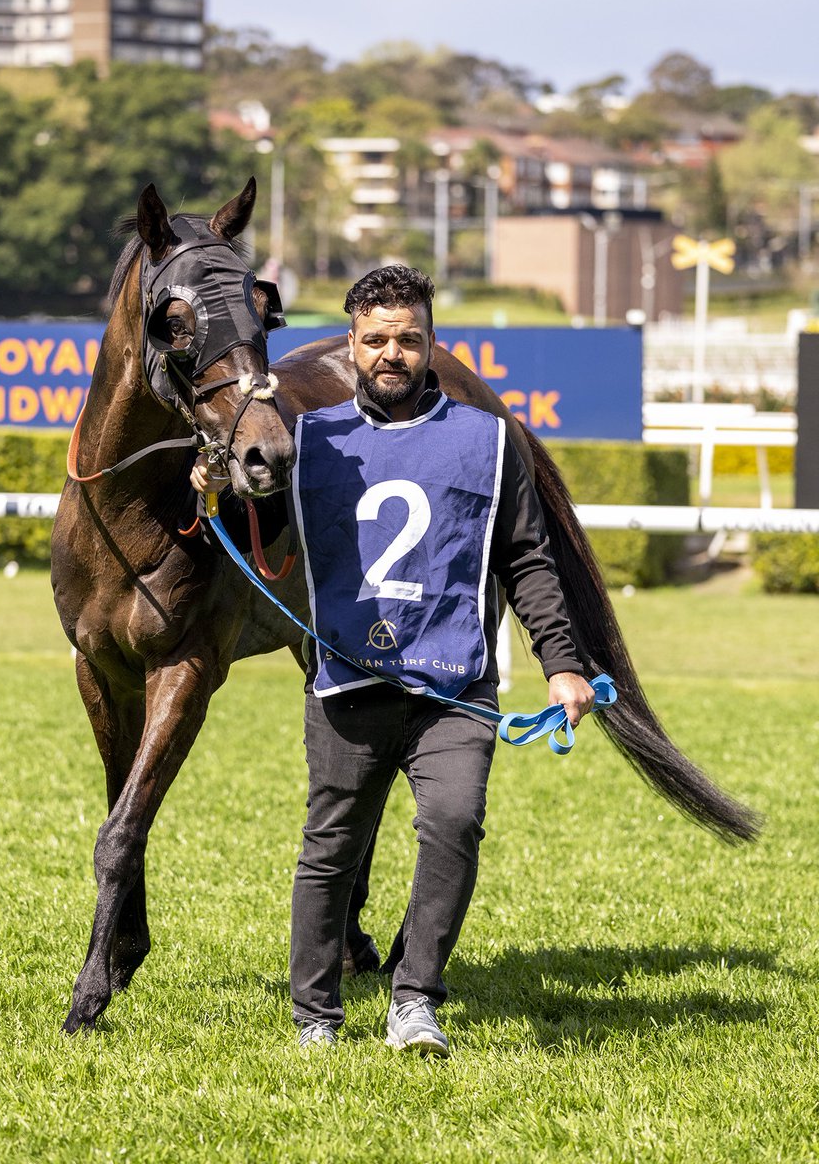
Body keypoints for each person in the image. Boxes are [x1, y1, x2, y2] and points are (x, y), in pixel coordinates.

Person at [193, 265, 594, 1057]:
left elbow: (528, 559)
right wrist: (210, 489)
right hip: (347, 681)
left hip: (455, 685)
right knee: (330, 847)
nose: (392, 353)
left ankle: (415, 1000)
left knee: (454, 823)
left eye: (408, 339)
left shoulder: (492, 441)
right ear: (352, 345)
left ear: (432, 344)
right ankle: (315, 1015)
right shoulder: (311, 441)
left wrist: (562, 663)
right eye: (375, 340)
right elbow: (252, 531)